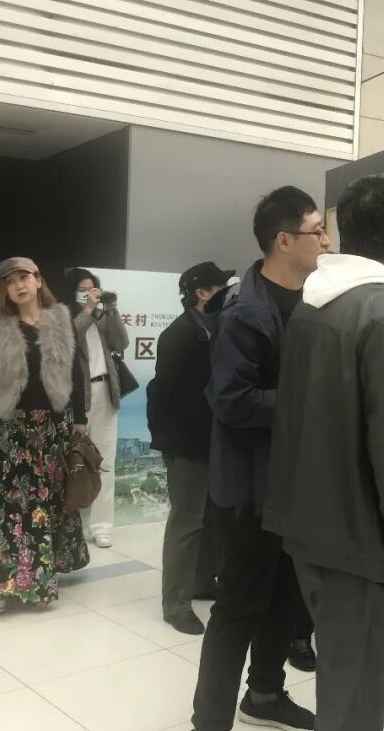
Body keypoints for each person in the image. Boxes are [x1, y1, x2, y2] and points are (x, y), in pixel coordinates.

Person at [265, 174, 384, 731]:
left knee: (341, 685)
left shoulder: (313, 303)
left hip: (313, 531)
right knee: (357, 703)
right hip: (363, 546)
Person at [191, 187, 329, 731]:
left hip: (294, 482)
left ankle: (265, 695)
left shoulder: (314, 299)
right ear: (284, 240)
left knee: (286, 596)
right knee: (240, 604)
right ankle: (210, 720)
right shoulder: (245, 311)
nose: (326, 241)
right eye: (317, 230)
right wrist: (308, 401)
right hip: (250, 489)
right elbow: (231, 400)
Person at [0, 258, 90, 613]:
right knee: (9, 505)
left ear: (37, 281)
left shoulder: (61, 319)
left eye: (24, 277)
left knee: (45, 503)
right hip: (12, 426)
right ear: (3, 289)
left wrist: (80, 418)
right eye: (10, 281)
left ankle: (35, 579)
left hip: (54, 426)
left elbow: (75, 372)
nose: (18, 285)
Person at [148, 261, 233, 635]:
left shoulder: (215, 329)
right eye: (220, 287)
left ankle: (202, 582)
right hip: (187, 445)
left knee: (211, 518)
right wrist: (168, 442)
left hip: (214, 443)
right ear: (202, 293)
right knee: (186, 522)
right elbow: (159, 393)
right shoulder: (179, 335)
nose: (227, 292)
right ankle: (176, 604)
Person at [64, 268, 130, 549]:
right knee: (73, 462)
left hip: (106, 392)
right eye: (82, 289)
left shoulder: (102, 316)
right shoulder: (62, 317)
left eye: (92, 289)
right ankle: (70, 524)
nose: (88, 294)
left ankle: (101, 526)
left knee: (105, 461)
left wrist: (111, 308)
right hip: (77, 397)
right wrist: (88, 310)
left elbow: (121, 342)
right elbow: (69, 339)